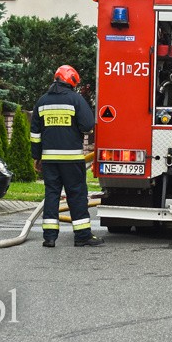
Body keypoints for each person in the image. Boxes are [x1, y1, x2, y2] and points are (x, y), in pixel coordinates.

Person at [31, 65, 102, 248]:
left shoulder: (42, 102)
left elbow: (35, 134)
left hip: (49, 161)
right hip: (71, 160)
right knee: (77, 195)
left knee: (52, 195)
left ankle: (49, 237)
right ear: (71, 81)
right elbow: (87, 125)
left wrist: (36, 157)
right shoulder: (76, 100)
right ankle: (82, 236)